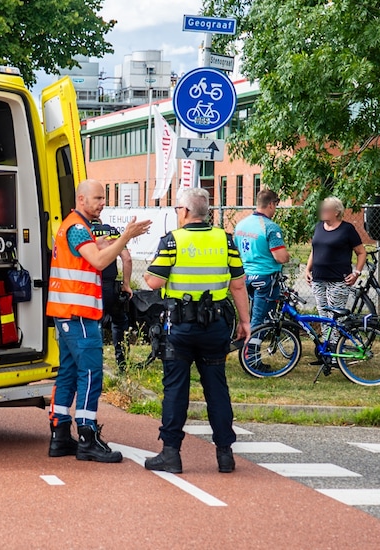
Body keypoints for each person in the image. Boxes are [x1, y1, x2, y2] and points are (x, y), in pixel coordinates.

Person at [142, 187, 250, 474]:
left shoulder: (173, 241)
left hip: (180, 328)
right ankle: (225, 455)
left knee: (176, 389)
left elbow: (153, 282)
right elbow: (238, 284)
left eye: (178, 209)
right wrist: (245, 322)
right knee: (217, 389)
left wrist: (145, 272)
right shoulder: (225, 241)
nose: (178, 213)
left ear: (186, 211)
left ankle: (171, 454)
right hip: (215, 327)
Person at [47, 180, 151, 462]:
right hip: (79, 314)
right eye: (97, 198)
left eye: (103, 198)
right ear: (81, 199)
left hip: (66, 312)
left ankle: (59, 435)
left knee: (68, 373)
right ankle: (87, 437)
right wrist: (124, 237)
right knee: (91, 374)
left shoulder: (74, 225)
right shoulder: (79, 228)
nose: (102, 203)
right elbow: (99, 261)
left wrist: (105, 243)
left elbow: (87, 256)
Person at [306, 197, 367, 352]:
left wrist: (356, 273)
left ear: (336, 212)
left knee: (335, 317)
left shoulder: (347, 229)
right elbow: (315, 249)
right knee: (323, 315)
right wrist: (308, 269)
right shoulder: (319, 227)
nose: (323, 211)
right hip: (318, 279)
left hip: (338, 280)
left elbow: (361, 252)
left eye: (326, 209)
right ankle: (328, 349)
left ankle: (336, 350)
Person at [233, 188, 290, 327]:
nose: (275, 209)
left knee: (249, 316)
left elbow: (236, 250)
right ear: (271, 204)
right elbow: (281, 258)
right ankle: (252, 348)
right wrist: (288, 256)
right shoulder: (270, 227)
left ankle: (246, 346)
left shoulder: (241, 225)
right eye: (275, 205)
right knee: (262, 320)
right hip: (265, 277)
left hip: (246, 276)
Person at [90, 217, 133, 372]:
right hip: (111, 287)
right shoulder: (112, 232)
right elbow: (126, 259)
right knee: (119, 321)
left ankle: (96, 363)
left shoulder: (85, 232)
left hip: (91, 286)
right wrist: (126, 284)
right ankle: (121, 362)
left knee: (95, 324)